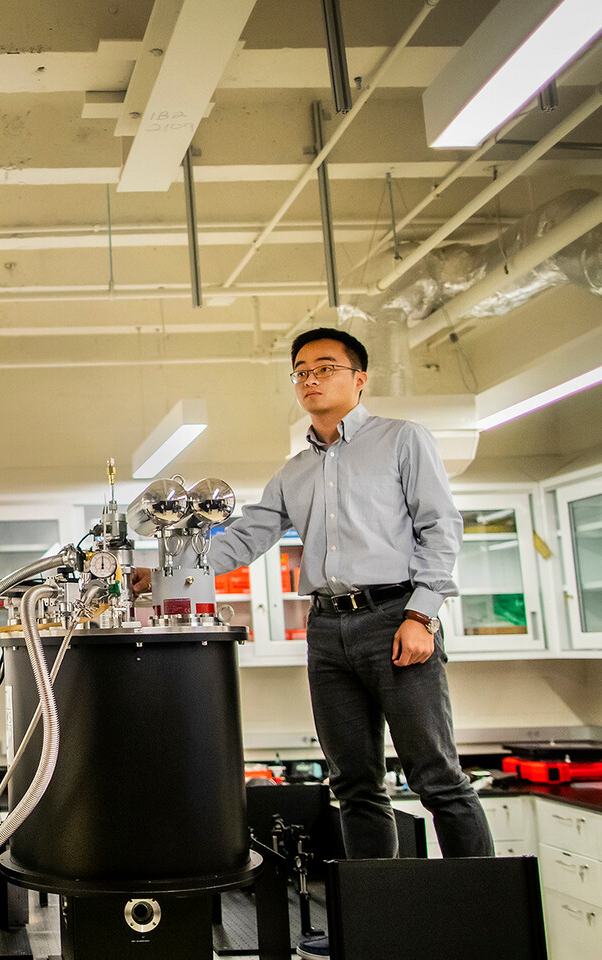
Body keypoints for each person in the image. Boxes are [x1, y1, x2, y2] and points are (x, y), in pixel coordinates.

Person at [140, 327, 493, 960]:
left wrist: (424, 614)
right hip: (326, 628)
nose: (309, 379)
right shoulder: (294, 473)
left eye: (325, 367)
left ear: (359, 379)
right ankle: (373, 918)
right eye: (301, 370)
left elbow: (442, 527)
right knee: (354, 784)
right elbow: (243, 540)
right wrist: (164, 572)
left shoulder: (401, 440)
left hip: (395, 616)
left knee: (437, 778)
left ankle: (480, 917)